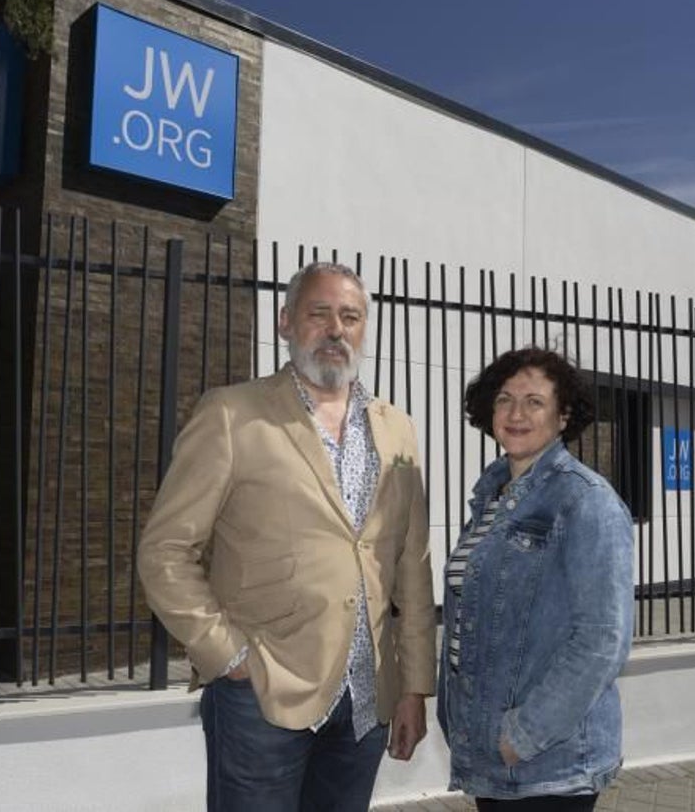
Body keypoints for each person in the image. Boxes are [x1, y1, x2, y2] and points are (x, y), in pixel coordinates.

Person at [138, 261, 436, 812]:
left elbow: (411, 565)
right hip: (263, 695)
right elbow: (165, 552)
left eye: (350, 316)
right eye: (318, 313)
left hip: (367, 702)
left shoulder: (398, 428)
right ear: (285, 322)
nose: (335, 329)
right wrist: (229, 656)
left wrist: (415, 685)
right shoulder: (232, 414)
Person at [438, 346, 635, 811]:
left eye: (534, 402)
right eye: (505, 399)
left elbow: (603, 639)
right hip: (490, 754)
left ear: (563, 415)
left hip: (549, 765)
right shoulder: (492, 495)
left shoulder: (585, 500)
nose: (516, 413)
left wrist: (524, 735)